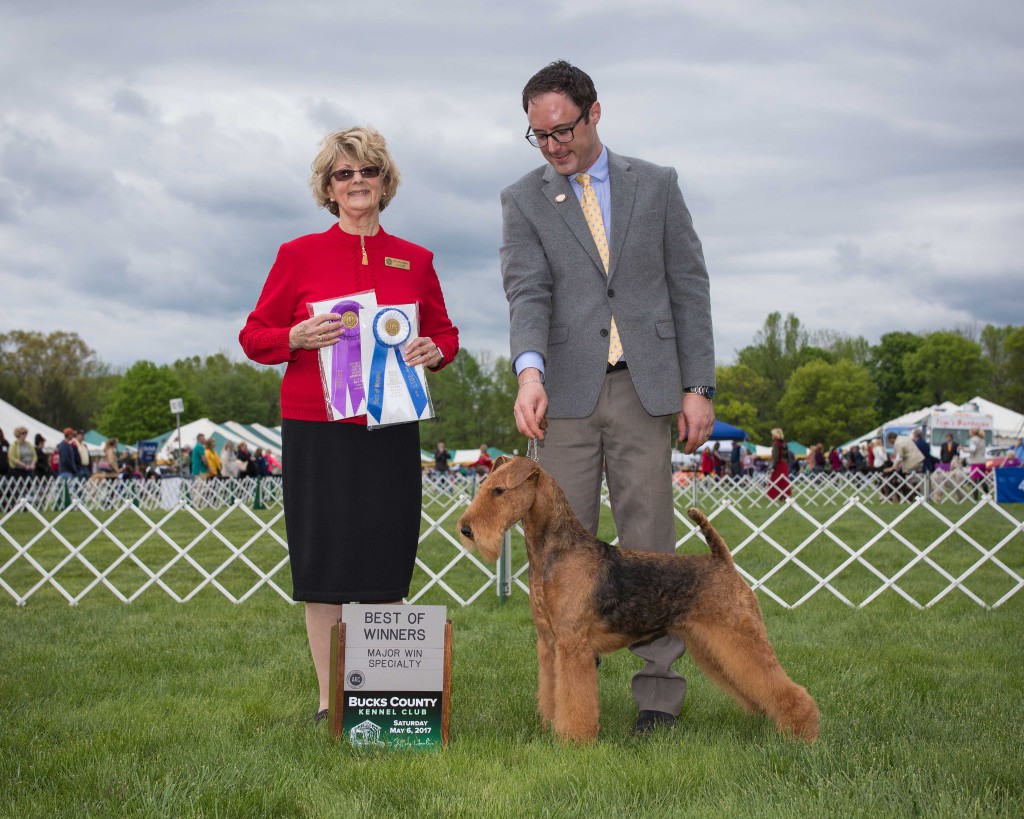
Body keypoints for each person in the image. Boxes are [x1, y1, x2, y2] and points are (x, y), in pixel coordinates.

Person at [500, 60, 715, 737]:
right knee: (557, 554)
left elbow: (690, 285)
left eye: (563, 130)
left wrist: (697, 384)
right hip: (561, 394)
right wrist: (529, 373)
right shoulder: (522, 198)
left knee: (651, 542)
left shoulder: (656, 185)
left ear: (595, 113)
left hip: (644, 387)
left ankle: (658, 696)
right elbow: (527, 291)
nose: (554, 146)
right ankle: (563, 700)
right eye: (539, 136)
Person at [239, 125, 459, 725]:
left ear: (385, 182)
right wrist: (294, 337)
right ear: (328, 188)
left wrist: (434, 353)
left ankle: (384, 701)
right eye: (344, 173)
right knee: (326, 564)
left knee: (386, 559)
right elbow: (253, 337)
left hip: (391, 427)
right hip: (317, 428)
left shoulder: (416, 260)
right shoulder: (297, 255)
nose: (357, 181)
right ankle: (328, 701)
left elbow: (445, 333)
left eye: (367, 171)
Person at [767, 428, 791, 500]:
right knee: (784, 481)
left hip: (778, 465)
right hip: (784, 464)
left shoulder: (776, 443)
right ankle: (784, 495)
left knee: (775, 480)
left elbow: (776, 456)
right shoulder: (784, 443)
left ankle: (775, 495)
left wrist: (773, 467)